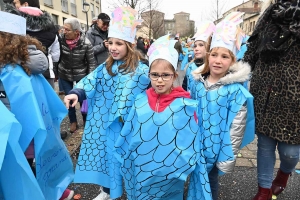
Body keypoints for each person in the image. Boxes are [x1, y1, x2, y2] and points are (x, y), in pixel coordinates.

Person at [63, 7, 149, 200]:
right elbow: (91, 81)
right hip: (106, 124)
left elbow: (151, 92)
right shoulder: (106, 67)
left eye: (119, 43)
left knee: (131, 160)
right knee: (106, 158)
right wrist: (77, 93)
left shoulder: (141, 70)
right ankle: (107, 191)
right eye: (111, 43)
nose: (113, 47)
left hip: (130, 126)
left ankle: (138, 192)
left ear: (130, 44)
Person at [113, 35, 211, 200]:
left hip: (171, 173)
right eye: (155, 75)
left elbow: (191, 141)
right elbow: (129, 133)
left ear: (174, 75)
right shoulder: (140, 102)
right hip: (143, 169)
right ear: (149, 75)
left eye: (166, 75)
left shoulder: (185, 106)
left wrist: (182, 166)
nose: (159, 80)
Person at [0, 11, 74, 200]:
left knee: (18, 169)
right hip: (28, 129)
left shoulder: (15, 67)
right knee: (28, 164)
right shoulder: (27, 60)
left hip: (17, 131)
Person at [189, 12, 255, 200]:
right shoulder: (197, 82)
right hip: (196, 145)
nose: (218, 60)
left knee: (210, 183)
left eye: (224, 56)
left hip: (216, 149)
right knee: (195, 179)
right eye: (214, 55)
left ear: (233, 61)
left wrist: (227, 156)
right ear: (208, 56)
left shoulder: (235, 92)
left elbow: (237, 127)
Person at [242, 1, 300, 199]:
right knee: (265, 145)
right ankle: (263, 189)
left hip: (295, 100)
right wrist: (234, 74)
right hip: (264, 92)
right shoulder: (270, 16)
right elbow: (251, 51)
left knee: (290, 152)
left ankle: (284, 174)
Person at [6, 0, 60, 88]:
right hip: (45, 73)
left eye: (15, 3)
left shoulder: (12, 26)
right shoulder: (52, 29)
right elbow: (56, 56)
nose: (13, 5)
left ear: (25, 4)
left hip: (17, 73)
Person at [58, 18, 96, 133]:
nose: (64, 31)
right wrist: (55, 72)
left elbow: (91, 62)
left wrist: (89, 80)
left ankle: (85, 120)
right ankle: (73, 121)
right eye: (63, 28)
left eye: (67, 30)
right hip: (64, 73)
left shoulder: (86, 43)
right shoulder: (60, 40)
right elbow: (56, 58)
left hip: (81, 74)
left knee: (82, 99)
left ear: (76, 32)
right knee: (69, 99)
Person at [182, 21, 215, 91]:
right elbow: (184, 87)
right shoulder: (190, 67)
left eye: (201, 45)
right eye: (195, 46)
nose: (196, 49)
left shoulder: (213, 68)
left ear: (209, 47)